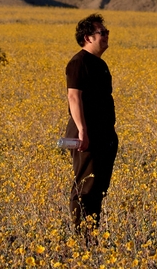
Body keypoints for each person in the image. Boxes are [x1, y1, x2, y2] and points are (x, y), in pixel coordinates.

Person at [65, 13, 116, 230]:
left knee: (98, 187)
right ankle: (82, 235)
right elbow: (73, 97)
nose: (106, 36)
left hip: (103, 134)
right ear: (88, 37)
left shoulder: (99, 64)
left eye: (106, 32)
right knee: (85, 187)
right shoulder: (79, 62)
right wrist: (82, 131)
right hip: (87, 134)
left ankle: (91, 233)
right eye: (101, 32)